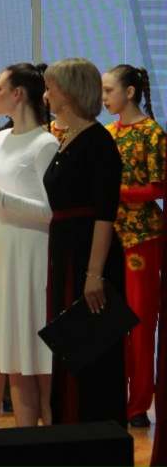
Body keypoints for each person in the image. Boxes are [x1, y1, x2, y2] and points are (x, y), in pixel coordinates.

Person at [0, 63, 58, 427]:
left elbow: (50, 211)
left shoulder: (45, 143)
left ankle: (52, 436)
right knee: (14, 356)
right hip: (0, 252)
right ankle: (23, 439)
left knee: (37, 354)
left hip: (31, 254)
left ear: (18, 94)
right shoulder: (1, 139)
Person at [42, 58, 125, 425]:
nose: (46, 95)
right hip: (66, 252)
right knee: (69, 351)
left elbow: (105, 213)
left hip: (87, 255)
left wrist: (94, 273)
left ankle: (93, 437)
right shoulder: (69, 139)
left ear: (69, 92)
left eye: (51, 88)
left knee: (91, 356)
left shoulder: (98, 141)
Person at [102, 64, 164, 428]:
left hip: (142, 236)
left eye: (109, 90)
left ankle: (139, 403)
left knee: (140, 322)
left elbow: (159, 187)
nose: (104, 98)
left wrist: (118, 193)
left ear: (129, 92)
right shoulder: (108, 133)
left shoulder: (152, 133)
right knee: (113, 320)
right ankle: (114, 397)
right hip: (109, 235)